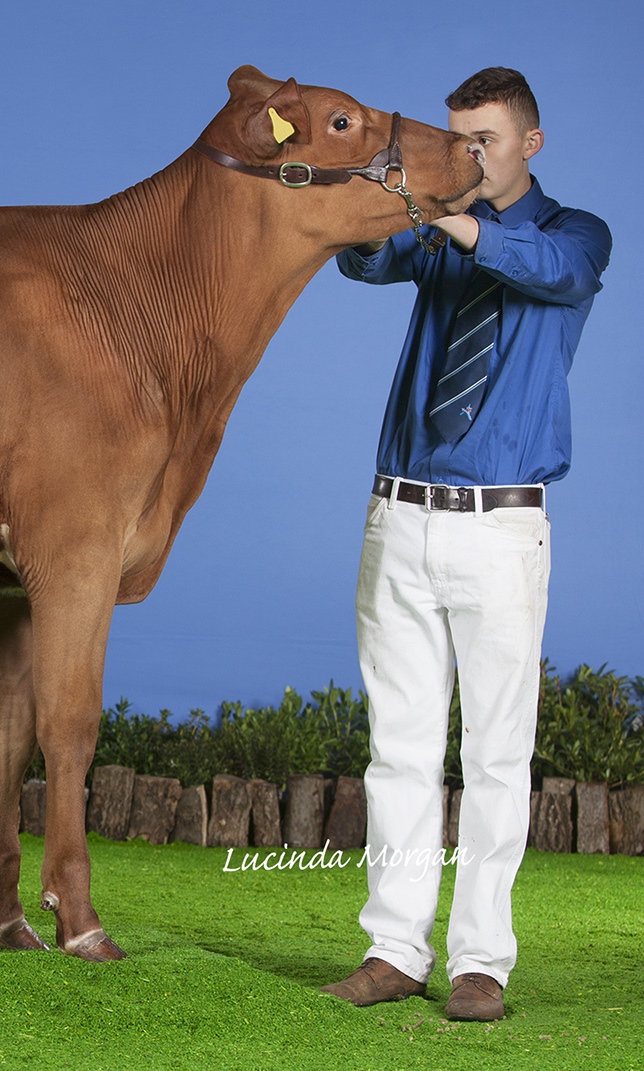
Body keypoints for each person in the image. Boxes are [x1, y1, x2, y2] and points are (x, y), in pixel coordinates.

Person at [319, 68, 611, 1022]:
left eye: (484, 138)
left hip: (501, 528)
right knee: (397, 750)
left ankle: (481, 963)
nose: (470, 154)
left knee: (496, 755)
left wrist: (451, 217)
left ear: (531, 141)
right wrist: (368, 203)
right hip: (398, 516)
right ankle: (394, 950)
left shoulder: (576, 234)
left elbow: (551, 272)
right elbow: (365, 263)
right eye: (459, 138)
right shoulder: (441, 228)